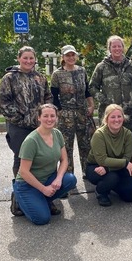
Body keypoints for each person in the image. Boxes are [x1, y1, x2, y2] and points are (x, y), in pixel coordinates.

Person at [0, 46, 52, 217]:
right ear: (19, 58)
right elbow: (5, 104)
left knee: (43, 159)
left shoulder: (40, 78)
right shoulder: (9, 78)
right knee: (22, 160)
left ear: (35, 59)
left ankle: (45, 197)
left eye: (31, 58)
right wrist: (23, 120)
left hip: (40, 126)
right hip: (19, 127)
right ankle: (19, 200)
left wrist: (45, 117)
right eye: (25, 58)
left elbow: (48, 98)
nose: (29, 61)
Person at [13, 104, 78, 225]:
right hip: (27, 185)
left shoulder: (57, 134)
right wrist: (43, 189)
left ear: (57, 117)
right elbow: (23, 172)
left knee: (70, 179)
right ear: (39, 118)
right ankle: (19, 201)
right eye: (45, 116)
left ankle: (41, 199)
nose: (49, 119)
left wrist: (58, 179)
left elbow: (64, 160)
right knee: (42, 219)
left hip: (48, 179)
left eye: (52, 116)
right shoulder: (31, 141)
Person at [51, 45, 95, 179]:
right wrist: (60, 111)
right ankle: (67, 175)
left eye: (72, 55)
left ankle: (88, 172)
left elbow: (87, 90)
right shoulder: (57, 74)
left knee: (86, 144)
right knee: (66, 147)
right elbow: (53, 95)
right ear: (62, 57)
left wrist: (91, 105)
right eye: (67, 55)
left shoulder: (82, 71)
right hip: (66, 114)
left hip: (83, 113)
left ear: (76, 56)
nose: (70, 58)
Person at [85, 104, 132, 206]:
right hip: (96, 166)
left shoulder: (128, 134)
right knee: (112, 178)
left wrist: (108, 169)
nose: (116, 120)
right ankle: (101, 191)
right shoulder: (99, 134)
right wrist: (124, 163)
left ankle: (113, 186)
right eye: (113, 117)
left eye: (119, 116)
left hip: (115, 168)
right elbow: (102, 160)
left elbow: (127, 158)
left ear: (123, 118)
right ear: (106, 119)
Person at [89, 35, 132, 130]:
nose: (117, 48)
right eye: (114, 46)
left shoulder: (131, 66)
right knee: (107, 141)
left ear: (123, 48)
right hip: (108, 113)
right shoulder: (101, 66)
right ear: (109, 49)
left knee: (127, 141)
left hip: (127, 112)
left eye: (119, 46)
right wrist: (104, 100)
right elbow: (92, 87)